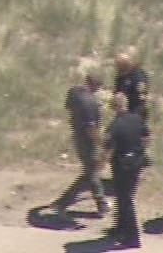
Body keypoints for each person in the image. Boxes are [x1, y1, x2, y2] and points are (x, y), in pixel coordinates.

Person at [49, 69, 107, 216]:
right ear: (96, 85)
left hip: (77, 136)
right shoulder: (91, 103)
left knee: (90, 172)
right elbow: (91, 128)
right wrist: (101, 143)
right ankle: (99, 204)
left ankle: (63, 203)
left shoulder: (74, 92)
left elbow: (69, 108)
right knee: (92, 172)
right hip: (88, 141)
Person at [101, 92, 148, 249]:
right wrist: (139, 151)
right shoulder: (137, 118)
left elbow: (108, 151)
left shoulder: (115, 126)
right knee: (124, 199)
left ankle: (133, 238)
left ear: (114, 107)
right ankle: (121, 228)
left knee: (125, 200)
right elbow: (147, 138)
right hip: (137, 163)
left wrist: (101, 165)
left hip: (122, 168)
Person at [113, 51, 149, 120]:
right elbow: (117, 91)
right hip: (122, 113)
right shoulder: (121, 76)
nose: (118, 70)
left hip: (136, 113)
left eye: (120, 67)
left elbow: (141, 100)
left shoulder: (139, 77)